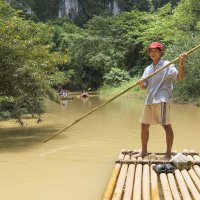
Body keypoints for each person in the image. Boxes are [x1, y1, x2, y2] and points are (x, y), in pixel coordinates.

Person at [135, 42, 187, 160]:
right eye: (151, 51)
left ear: (161, 52)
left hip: (161, 99)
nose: (153, 53)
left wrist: (181, 63)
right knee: (144, 126)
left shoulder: (167, 65)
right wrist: (141, 83)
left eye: (156, 51)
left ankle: (168, 154)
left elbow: (179, 78)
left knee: (166, 126)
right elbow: (144, 86)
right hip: (149, 99)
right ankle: (143, 152)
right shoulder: (148, 69)